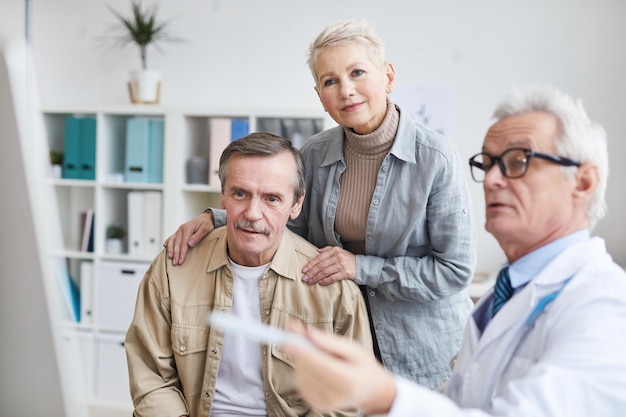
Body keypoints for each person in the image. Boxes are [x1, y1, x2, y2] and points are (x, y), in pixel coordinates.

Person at [164, 18, 476, 389]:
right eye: (330, 81)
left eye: (357, 72)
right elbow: (291, 224)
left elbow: (454, 271)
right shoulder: (314, 152)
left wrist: (360, 268)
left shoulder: (435, 158)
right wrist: (217, 218)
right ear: (320, 95)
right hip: (340, 339)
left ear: (388, 76)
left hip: (422, 354)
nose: (346, 90)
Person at [283, 84, 626, 416]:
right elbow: (464, 404)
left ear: (583, 182)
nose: (491, 180)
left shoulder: (602, 307)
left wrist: (385, 395)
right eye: (488, 163)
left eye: (519, 161)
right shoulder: (505, 293)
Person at [125, 132, 372, 417]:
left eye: (271, 199)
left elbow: (347, 398)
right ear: (223, 196)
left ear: (296, 204)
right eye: (240, 194)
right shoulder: (172, 269)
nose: (253, 213)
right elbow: (151, 377)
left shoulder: (335, 291)